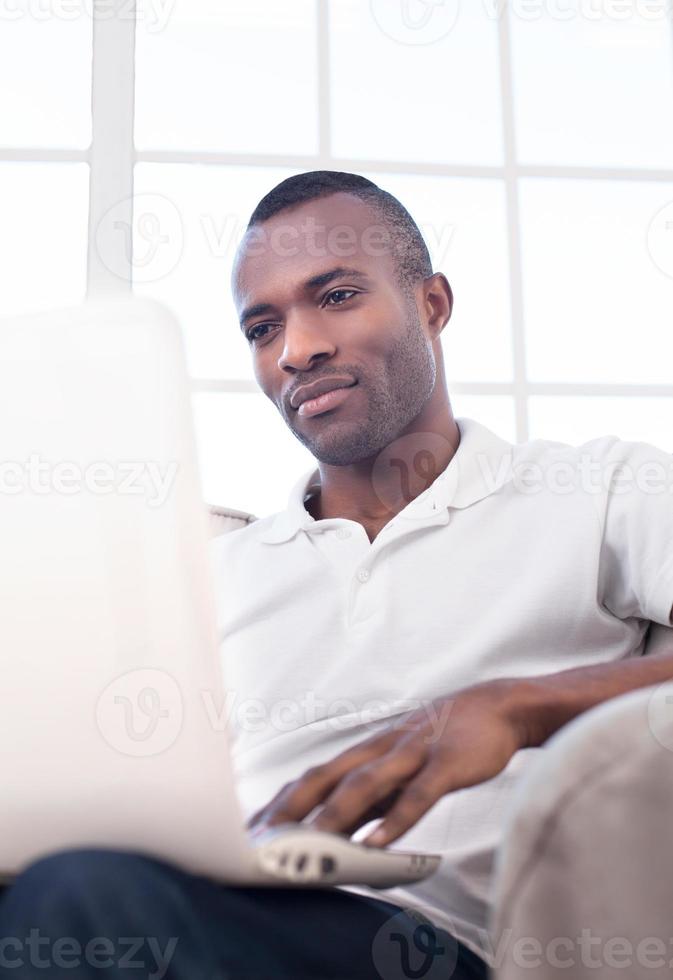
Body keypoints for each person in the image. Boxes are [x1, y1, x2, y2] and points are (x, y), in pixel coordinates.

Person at [2, 170, 672, 979]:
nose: (297, 349)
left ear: (431, 304)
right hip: (206, 905)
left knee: (86, 899)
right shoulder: (208, 577)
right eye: (260, 328)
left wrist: (520, 707)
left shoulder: (599, 489)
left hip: (430, 940)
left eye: (338, 295)